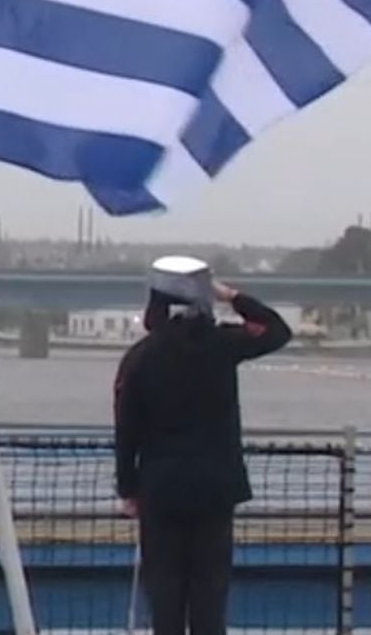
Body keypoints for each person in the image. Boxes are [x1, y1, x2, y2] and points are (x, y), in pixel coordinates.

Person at [113, 256, 292, 635]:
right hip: (215, 486)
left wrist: (128, 488)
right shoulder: (223, 345)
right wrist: (232, 295)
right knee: (210, 592)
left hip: (160, 487)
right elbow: (277, 331)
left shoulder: (140, 358)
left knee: (165, 591)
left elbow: (127, 430)